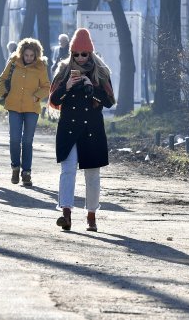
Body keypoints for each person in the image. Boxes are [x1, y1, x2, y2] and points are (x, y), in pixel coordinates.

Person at [49, 28, 115, 232]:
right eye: (76, 54)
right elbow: (52, 100)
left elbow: (109, 101)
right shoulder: (63, 71)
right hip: (69, 128)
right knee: (67, 171)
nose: (80, 58)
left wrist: (91, 86)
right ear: (71, 53)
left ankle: (91, 216)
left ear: (90, 53)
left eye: (84, 54)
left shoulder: (101, 72)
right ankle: (66, 213)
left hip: (92, 130)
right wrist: (67, 86)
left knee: (92, 175)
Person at [0, 38, 50, 187]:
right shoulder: (14, 62)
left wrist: (36, 96)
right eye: (26, 55)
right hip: (13, 106)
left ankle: (26, 172)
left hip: (31, 109)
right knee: (14, 139)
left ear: (36, 55)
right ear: (21, 53)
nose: (28, 58)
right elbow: (2, 80)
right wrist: (5, 94)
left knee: (27, 141)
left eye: (31, 56)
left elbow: (46, 86)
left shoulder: (40, 67)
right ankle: (15, 167)